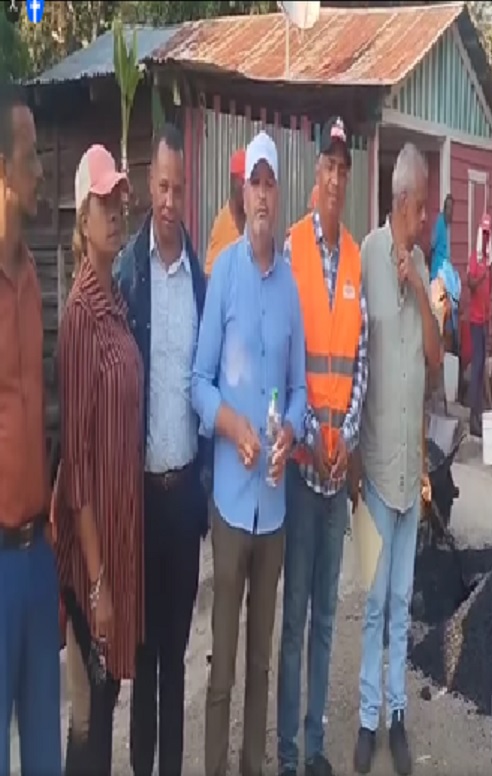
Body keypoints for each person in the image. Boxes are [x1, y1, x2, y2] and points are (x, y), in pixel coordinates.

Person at [192, 130, 307, 776]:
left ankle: (252, 765)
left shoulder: (288, 286)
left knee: (262, 662)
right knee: (224, 667)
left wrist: (289, 429)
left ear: (276, 192)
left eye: (270, 183)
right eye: (254, 183)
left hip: (275, 506)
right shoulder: (225, 274)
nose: (262, 194)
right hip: (233, 509)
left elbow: (295, 391)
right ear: (242, 193)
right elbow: (198, 384)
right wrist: (233, 426)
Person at [114, 123, 209, 776]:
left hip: (183, 500)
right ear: (150, 185)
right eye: (163, 185)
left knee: (174, 658)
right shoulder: (127, 275)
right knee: (143, 660)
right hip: (141, 501)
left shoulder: (199, 280)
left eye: (179, 188)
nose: (170, 199)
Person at [277, 115, 368, 776]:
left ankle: (313, 748)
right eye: (327, 168)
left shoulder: (358, 258)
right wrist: (315, 439)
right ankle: (285, 753)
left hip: (338, 479)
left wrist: (350, 437)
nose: (334, 178)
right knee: (294, 621)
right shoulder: (290, 252)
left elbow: (358, 361)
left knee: (327, 622)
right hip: (303, 472)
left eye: (343, 169)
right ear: (315, 175)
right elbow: (288, 360)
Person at [54, 143, 143, 773]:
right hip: (93, 559)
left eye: (118, 201)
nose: (114, 213)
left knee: (104, 706)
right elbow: (78, 466)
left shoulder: (117, 302)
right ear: (82, 220)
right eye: (102, 204)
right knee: (87, 723)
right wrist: (98, 584)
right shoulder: (82, 315)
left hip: (119, 540)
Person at [352, 143, 441, 776]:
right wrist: (352, 459)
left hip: (412, 474)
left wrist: (417, 282)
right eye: (423, 208)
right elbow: (355, 358)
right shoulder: (364, 258)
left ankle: (398, 714)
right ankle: (365, 720)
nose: (428, 219)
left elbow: (436, 359)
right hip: (372, 475)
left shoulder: (423, 266)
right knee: (373, 601)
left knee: (403, 601)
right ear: (403, 204)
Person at [0, 83, 62, 776]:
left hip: (36, 556)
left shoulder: (32, 278)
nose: (41, 170)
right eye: (28, 156)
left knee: (43, 753)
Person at [466, 213, 492, 437]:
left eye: (488, 234)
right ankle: (472, 416)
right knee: (476, 368)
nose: (485, 238)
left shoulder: (488, 260)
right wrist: (481, 279)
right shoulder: (475, 259)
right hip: (474, 321)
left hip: (484, 321)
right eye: (483, 233)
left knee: (482, 366)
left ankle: (478, 411)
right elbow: (470, 284)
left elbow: (489, 294)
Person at [204, 148, 246, 277]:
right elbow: (210, 277)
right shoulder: (223, 225)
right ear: (233, 181)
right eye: (243, 181)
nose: (247, 188)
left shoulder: (249, 220)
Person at [429, 193, 453, 281]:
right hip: (437, 270)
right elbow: (432, 244)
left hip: (445, 270)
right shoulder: (440, 222)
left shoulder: (449, 225)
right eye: (448, 208)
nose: (449, 211)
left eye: (451, 208)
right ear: (444, 208)